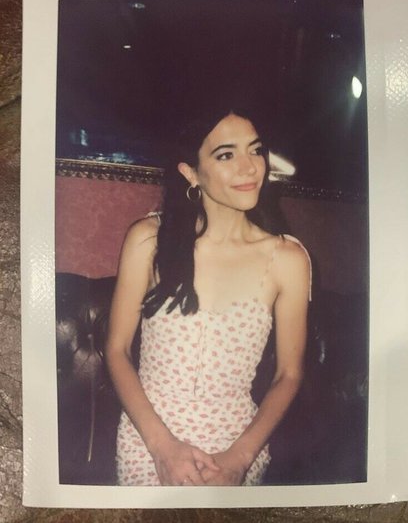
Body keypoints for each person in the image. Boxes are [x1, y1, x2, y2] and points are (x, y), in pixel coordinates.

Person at [105, 107, 311, 486]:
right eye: (226, 155)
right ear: (191, 173)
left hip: (238, 444)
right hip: (149, 436)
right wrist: (162, 448)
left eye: (255, 150)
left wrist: (239, 459)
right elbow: (117, 350)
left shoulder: (289, 259)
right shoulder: (148, 239)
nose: (250, 167)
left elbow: (289, 374)